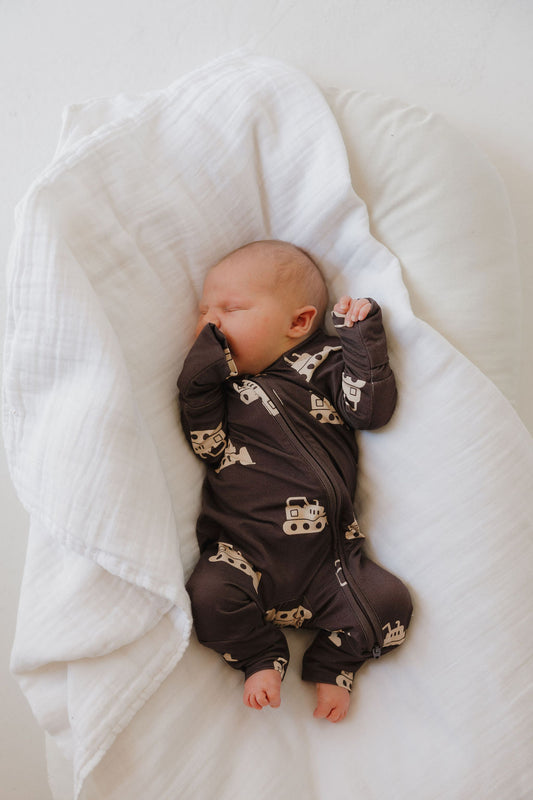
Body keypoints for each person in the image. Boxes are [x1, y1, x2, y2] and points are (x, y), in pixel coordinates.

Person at [178, 240, 412, 723]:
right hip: (243, 557)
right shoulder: (220, 390)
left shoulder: (323, 362)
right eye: (204, 312)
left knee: (391, 604)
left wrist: (360, 341)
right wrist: (196, 384)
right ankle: (260, 655)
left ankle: (334, 662)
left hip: (332, 565)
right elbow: (207, 446)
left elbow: (369, 411)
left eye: (231, 309)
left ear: (299, 322)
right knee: (207, 596)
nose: (210, 324)